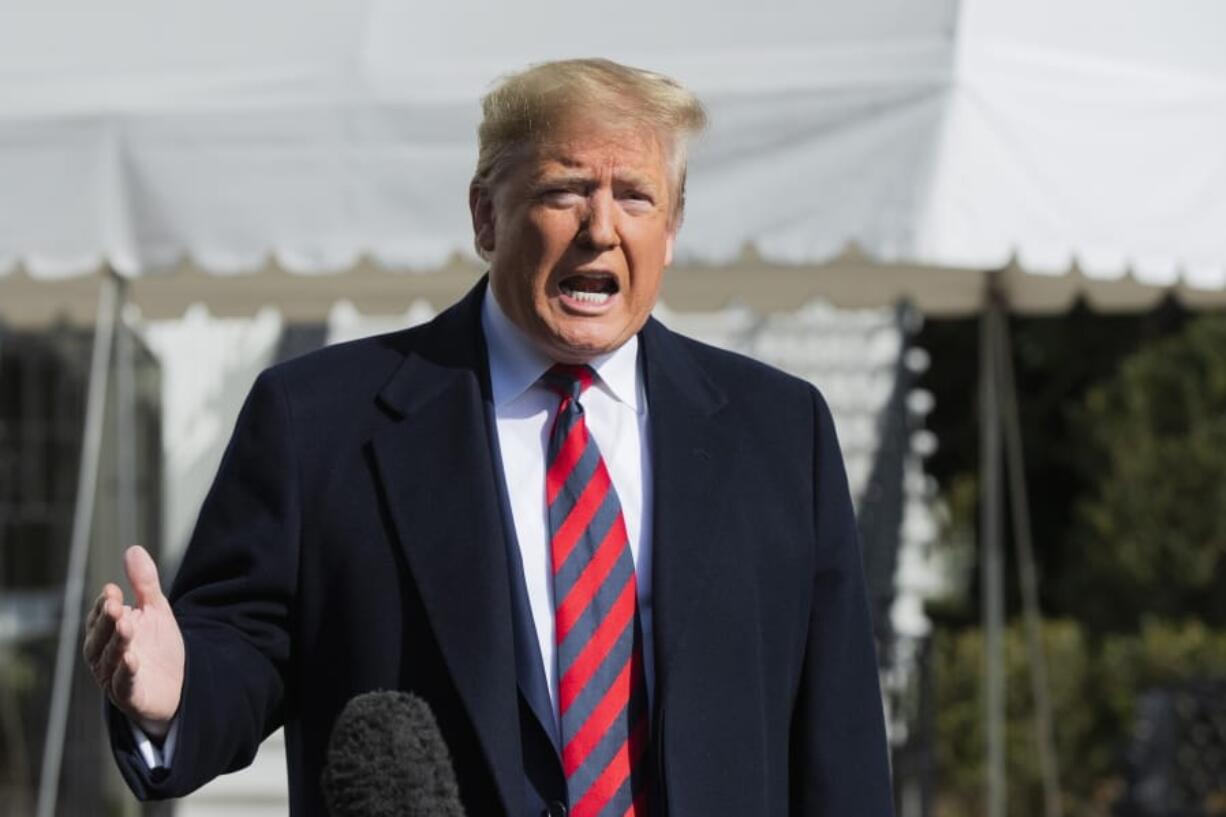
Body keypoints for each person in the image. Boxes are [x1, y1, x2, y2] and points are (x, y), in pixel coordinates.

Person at [82, 58, 894, 816]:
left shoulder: (780, 433)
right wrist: (177, 691)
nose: (601, 228)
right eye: (565, 190)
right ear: (485, 215)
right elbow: (240, 650)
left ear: (672, 227)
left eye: (637, 197)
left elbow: (840, 743)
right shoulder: (318, 423)